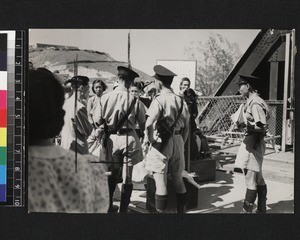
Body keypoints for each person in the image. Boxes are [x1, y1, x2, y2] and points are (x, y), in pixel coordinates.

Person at [28, 68, 109, 213]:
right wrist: (98, 130)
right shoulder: (80, 106)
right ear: (84, 88)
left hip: (64, 144)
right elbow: (88, 130)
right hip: (78, 148)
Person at [93, 66, 146, 213]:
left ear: (118, 79)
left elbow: (98, 120)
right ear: (129, 82)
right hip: (129, 138)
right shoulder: (135, 101)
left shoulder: (105, 97)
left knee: (112, 173)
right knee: (127, 177)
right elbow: (142, 124)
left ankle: (109, 206)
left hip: (112, 139)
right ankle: (123, 211)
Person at [143, 65, 190, 213]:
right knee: (178, 179)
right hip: (177, 140)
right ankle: (181, 213)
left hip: (161, 143)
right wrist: (180, 142)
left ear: (159, 82)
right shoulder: (181, 100)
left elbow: (149, 123)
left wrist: (150, 139)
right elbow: (187, 127)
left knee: (160, 182)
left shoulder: (159, 100)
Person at [234, 74, 269, 213]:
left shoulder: (255, 103)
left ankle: (246, 213)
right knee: (258, 178)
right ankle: (261, 210)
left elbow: (262, 126)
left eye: (240, 86)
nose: (239, 89)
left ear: (248, 86)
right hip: (255, 142)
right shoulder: (255, 100)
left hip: (253, 143)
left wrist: (245, 124)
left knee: (250, 180)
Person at [60, 76, 93, 154]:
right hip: (78, 150)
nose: (89, 91)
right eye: (88, 88)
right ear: (82, 88)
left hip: (65, 146)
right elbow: (87, 131)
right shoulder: (79, 107)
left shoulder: (65, 103)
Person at [87, 79, 108, 157]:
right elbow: (88, 114)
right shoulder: (91, 100)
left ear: (103, 88)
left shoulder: (106, 98)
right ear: (93, 89)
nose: (98, 89)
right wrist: (93, 125)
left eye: (100, 87)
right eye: (96, 87)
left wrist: (103, 126)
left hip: (105, 127)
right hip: (94, 127)